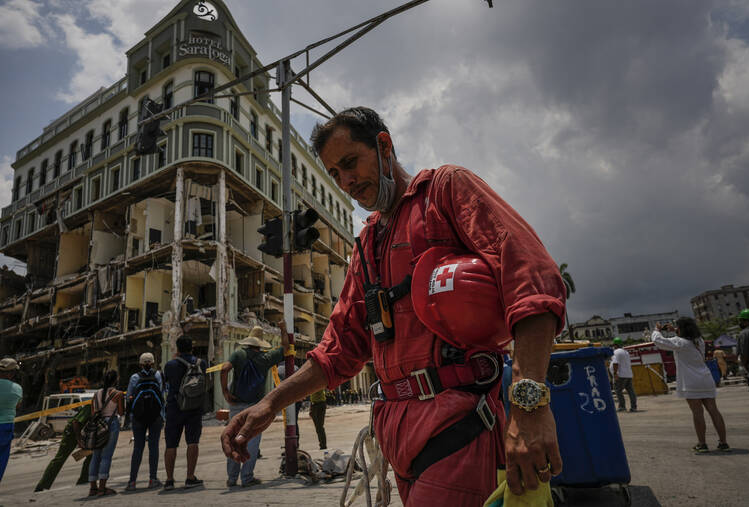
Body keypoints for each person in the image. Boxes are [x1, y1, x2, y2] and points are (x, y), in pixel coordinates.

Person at [222, 107, 566, 504]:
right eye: (334, 174)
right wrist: (270, 403)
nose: (346, 182)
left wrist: (530, 407)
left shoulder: (446, 191)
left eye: (350, 163)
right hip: (396, 439)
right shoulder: (366, 244)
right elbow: (338, 350)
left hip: (458, 427)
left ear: (384, 145)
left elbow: (531, 278)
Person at [220, 324, 284, 487]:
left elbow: (224, 368)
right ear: (260, 344)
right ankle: (247, 477)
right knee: (252, 441)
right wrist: (283, 328)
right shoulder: (266, 358)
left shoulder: (238, 354)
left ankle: (232, 478)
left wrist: (226, 392)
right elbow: (285, 347)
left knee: (234, 438)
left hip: (236, 405)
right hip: (256, 407)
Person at [653, 318, 730, 453]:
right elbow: (686, 336)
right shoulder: (699, 341)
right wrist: (675, 330)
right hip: (706, 379)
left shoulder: (680, 342)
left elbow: (659, 341)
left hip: (691, 382)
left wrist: (657, 330)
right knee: (714, 410)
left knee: (697, 412)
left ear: (681, 329)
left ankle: (702, 443)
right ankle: (723, 443)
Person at [163, 335, 206, 490]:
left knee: (171, 445)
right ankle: (190, 477)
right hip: (194, 409)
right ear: (192, 348)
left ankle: (169, 480)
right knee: (193, 442)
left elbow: (166, 383)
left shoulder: (170, 365)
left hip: (175, 408)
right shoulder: (202, 363)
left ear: (178, 349)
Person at [125, 352, 164, 491]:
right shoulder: (158, 375)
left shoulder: (135, 377)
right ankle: (152, 479)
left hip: (138, 418)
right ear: (153, 363)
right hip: (155, 417)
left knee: (138, 448)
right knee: (153, 447)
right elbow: (162, 393)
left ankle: (132, 482)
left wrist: (130, 416)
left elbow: (129, 397)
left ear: (140, 364)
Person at [34, 403, 92, 491]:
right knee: (61, 458)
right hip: (72, 433)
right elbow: (75, 422)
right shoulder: (92, 406)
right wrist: (79, 440)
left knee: (91, 454)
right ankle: (42, 485)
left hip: (85, 433)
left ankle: (83, 480)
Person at [88, 369, 124, 496]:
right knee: (106, 456)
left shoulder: (96, 394)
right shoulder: (118, 394)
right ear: (116, 380)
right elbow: (120, 412)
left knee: (95, 456)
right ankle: (102, 488)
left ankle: (93, 488)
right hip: (111, 424)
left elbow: (93, 412)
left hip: (97, 425)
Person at [0, 357, 22, 484]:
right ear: (12, 373)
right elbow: (17, 406)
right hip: (6, 426)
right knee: (2, 459)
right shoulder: (18, 389)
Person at [610, 337, 637, 412]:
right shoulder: (626, 352)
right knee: (631, 391)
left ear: (615, 345)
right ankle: (633, 407)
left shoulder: (616, 352)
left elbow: (615, 363)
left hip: (620, 375)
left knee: (618, 391)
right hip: (628, 374)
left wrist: (615, 373)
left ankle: (622, 406)